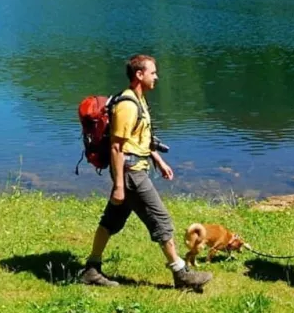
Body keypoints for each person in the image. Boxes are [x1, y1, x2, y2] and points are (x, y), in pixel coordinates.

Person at [79, 54, 212, 291]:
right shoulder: (128, 106)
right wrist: (119, 185)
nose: (157, 77)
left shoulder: (139, 101)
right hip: (131, 174)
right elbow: (117, 146)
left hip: (134, 169)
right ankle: (180, 274)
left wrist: (158, 160)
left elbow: (140, 139)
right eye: (153, 72)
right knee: (162, 221)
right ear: (139, 75)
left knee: (110, 221)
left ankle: (91, 269)